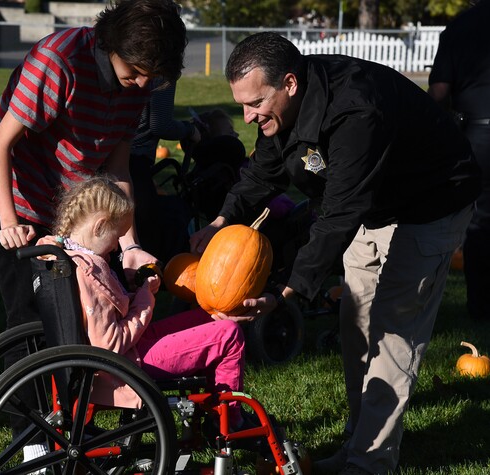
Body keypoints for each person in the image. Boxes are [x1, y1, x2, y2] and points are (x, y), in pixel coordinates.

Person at [190, 32, 480, 475]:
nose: (247, 116)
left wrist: (288, 291)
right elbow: (264, 172)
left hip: (431, 202)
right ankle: (357, 442)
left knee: (394, 331)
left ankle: (369, 464)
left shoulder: (356, 110)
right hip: (373, 203)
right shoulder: (282, 107)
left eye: (255, 104)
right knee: (357, 324)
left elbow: (342, 213)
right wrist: (220, 222)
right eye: (242, 105)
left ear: (288, 83)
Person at [0, 0, 187, 465]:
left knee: (78, 318)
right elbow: (1, 145)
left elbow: (118, 165)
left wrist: (130, 243)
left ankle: (73, 430)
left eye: (155, 76)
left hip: (72, 205)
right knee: (29, 319)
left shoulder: (138, 83)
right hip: (11, 194)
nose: (144, 84)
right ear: (112, 47)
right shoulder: (59, 61)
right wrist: (10, 223)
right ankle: (31, 444)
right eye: (136, 73)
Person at [37, 175, 256, 434]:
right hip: (127, 366)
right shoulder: (90, 272)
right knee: (229, 333)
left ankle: (213, 411)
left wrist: (137, 294)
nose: (115, 251)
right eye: (116, 237)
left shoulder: (67, 257)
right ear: (99, 226)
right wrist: (145, 299)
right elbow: (109, 345)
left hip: (130, 351)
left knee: (210, 317)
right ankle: (229, 422)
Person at [428, 0, 490, 321]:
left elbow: (439, 92)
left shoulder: (460, 28)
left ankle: (480, 306)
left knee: (479, 223)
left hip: (478, 135)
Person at [129, 79, 201, 265]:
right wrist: (190, 130)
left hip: (113, 154)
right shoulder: (163, 67)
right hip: (135, 158)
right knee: (145, 233)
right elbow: (160, 124)